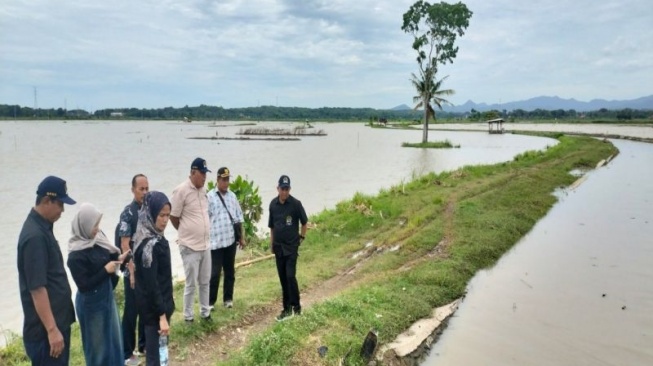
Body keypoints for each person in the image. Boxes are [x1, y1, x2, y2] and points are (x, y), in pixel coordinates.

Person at [17, 176, 77, 365]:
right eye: (60, 204)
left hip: (56, 325)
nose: (62, 210)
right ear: (46, 201)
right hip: (45, 334)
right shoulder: (34, 236)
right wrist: (52, 330)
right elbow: (37, 289)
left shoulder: (43, 228)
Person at [67, 203, 128, 366]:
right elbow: (84, 285)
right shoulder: (75, 256)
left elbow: (108, 258)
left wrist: (119, 259)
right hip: (91, 304)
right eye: (94, 225)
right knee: (98, 350)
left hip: (106, 296)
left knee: (115, 342)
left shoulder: (98, 239)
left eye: (98, 224)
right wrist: (105, 271)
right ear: (84, 226)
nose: (97, 229)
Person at [133, 191, 174, 366]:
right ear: (151, 214)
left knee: (161, 354)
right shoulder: (149, 246)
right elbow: (152, 285)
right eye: (161, 215)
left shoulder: (155, 237)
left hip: (160, 308)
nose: (165, 220)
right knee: (155, 358)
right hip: (155, 313)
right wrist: (162, 316)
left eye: (167, 215)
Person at [170, 157, 212, 322]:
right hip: (189, 246)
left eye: (205, 173)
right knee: (190, 284)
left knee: (205, 281)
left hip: (205, 244)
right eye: (202, 173)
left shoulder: (203, 190)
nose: (204, 177)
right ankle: (188, 317)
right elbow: (174, 217)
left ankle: (205, 312)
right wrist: (186, 231)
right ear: (193, 172)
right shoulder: (181, 190)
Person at [115, 174, 149, 365]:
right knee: (131, 311)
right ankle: (127, 352)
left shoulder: (149, 209)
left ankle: (144, 345)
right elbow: (124, 244)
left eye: (146, 189)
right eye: (141, 189)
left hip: (147, 269)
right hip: (133, 271)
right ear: (133, 190)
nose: (144, 192)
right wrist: (132, 270)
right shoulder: (128, 213)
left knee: (146, 307)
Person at [268, 175, 307, 321]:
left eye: (287, 189)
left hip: (291, 248)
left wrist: (301, 238)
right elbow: (272, 227)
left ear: (289, 189)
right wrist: (272, 244)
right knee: (283, 279)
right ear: (277, 188)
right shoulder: (273, 205)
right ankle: (286, 309)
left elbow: (304, 223)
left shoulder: (296, 204)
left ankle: (297, 308)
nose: (284, 192)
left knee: (290, 277)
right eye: (282, 189)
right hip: (278, 248)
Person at [207, 167, 246, 310]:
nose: (226, 182)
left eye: (228, 179)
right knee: (214, 274)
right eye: (223, 180)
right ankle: (210, 303)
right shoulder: (209, 197)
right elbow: (205, 220)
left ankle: (228, 299)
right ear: (217, 180)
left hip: (229, 241)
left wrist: (241, 237)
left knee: (230, 271)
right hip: (215, 243)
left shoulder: (232, 196)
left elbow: (239, 218)